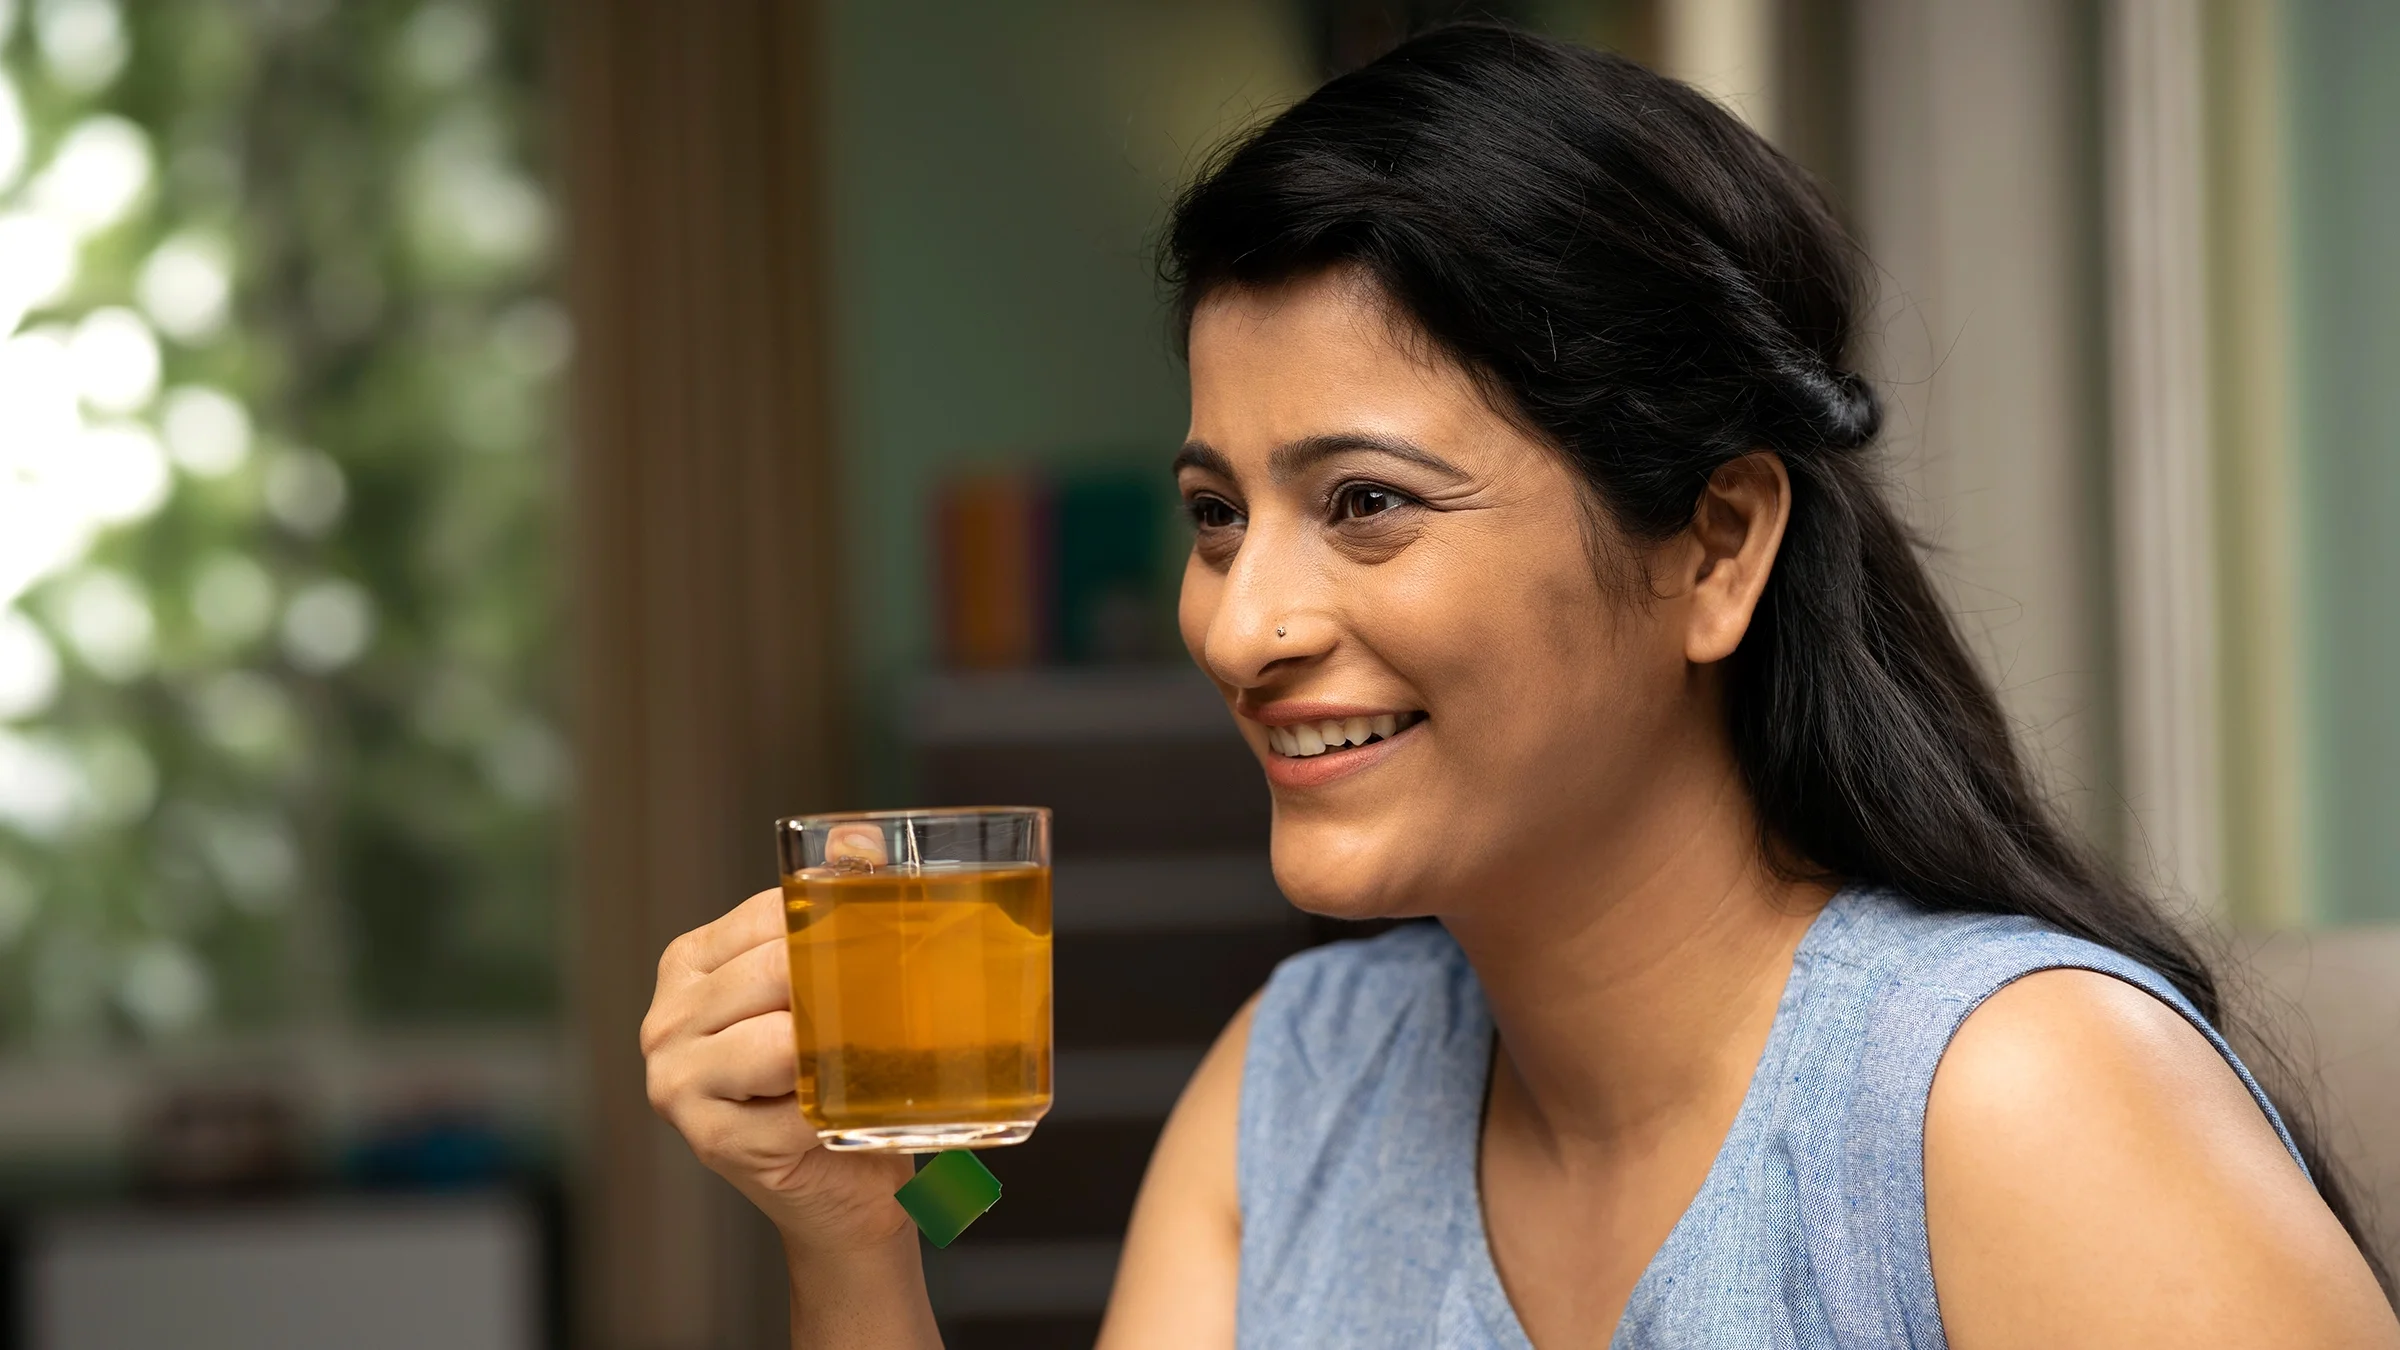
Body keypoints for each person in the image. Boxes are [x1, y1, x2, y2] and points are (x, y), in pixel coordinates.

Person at [639, 23, 2400, 1348]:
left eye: (1367, 505)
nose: (1244, 625)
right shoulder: (1295, 1092)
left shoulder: (2006, 1100)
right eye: (1214, 516)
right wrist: (852, 1233)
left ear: (1716, 545)